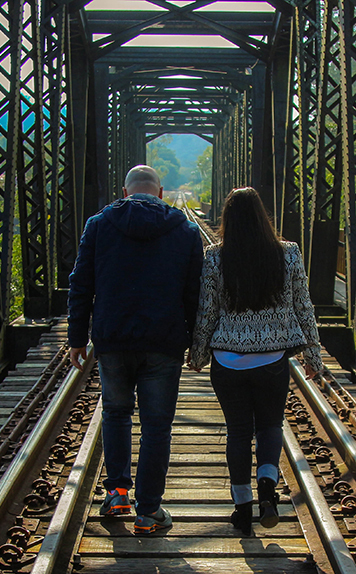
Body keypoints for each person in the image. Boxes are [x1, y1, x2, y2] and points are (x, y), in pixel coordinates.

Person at [68, 165, 204, 534]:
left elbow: (81, 284)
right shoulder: (185, 230)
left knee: (115, 414)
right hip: (164, 342)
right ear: (160, 193)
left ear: (125, 192)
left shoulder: (99, 225)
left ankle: (116, 494)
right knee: (157, 426)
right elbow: (195, 293)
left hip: (113, 340)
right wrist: (196, 342)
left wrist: (77, 338)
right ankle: (149, 511)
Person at [188, 187, 324, 534]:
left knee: (237, 432)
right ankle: (267, 487)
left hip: (227, 362)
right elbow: (303, 306)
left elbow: (206, 311)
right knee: (270, 426)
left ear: (227, 220)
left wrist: (198, 354)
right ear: (263, 217)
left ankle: (242, 507)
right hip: (272, 360)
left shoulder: (215, 257)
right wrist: (313, 355)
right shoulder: (288, 253)